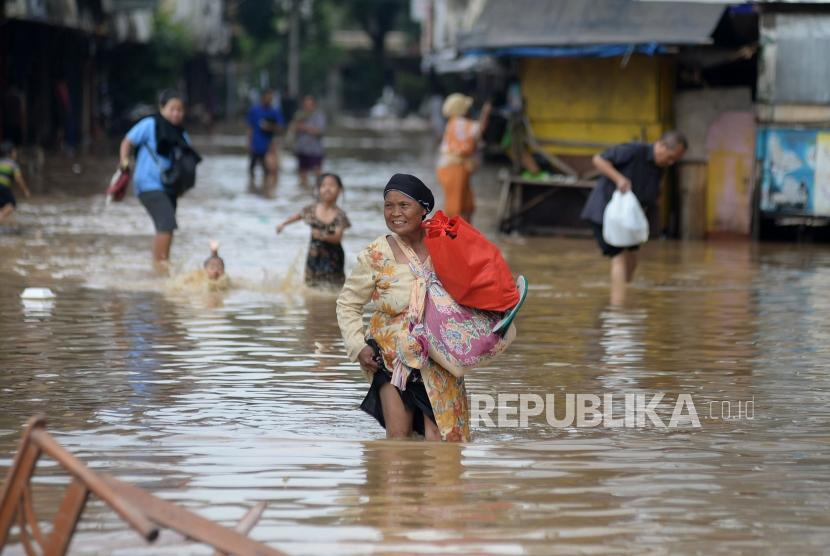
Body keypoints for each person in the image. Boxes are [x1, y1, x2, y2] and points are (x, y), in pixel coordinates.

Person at [336, 173, 469, 442]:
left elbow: (473, 293)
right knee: (398, 440)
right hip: (390, 357)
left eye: (404, 206)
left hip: (440, 358)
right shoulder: (376, 253)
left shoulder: (446, 245)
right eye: (389, 206)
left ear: (424, 210)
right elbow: (348, 303)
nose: (395, 213)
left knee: (444, 441)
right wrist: (357, 346)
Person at [580, 131, 687, 297]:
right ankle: (618, 306)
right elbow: (598, 159)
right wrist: (619, 179)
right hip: (605, 213)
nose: (671, 162)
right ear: (660, 145)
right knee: (619, 256)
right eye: (670, 156)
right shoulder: (634, 150)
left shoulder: (660, 167)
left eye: (675, 160)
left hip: (627, 219)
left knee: (631, 256)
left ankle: (625, 294)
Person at [119, 89, 193, 270]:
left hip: (171, 188)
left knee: (166, 227)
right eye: (172, 109)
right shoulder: (150, 124)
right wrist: (124, 163)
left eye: (180, 110)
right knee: (167, 224)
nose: (176, 113)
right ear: (162, 108)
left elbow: (187, 163)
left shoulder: (182, 135)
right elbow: (127, 141)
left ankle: (161, 265)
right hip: (148, 185)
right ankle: (160, 270)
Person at [276, 173, 350, 288]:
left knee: (334, 288)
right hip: (314, 256)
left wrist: (322, 236)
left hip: (334, 259)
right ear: (318, 189)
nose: (327, 188)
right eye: (324, 185)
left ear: (340, 190)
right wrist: (283, 224)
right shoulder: (312, 209)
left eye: (332, 185)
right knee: (311, 286)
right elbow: (298, 216)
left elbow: (338, 237)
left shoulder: (340, 214)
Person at [436, 93, 491, 221]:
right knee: (456, 209)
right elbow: (479, 130)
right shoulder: (460, 123)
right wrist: (485, 113)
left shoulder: (452, 123)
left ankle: (463, 236)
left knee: (466, 206)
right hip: (454, 168)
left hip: (452, 167)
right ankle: (454, 238)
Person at [247, 89, 284, 198]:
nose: (269, 100)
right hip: (256, 145)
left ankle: (267, 190)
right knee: (251, 169)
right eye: (267, 97)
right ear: (262, 98)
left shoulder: (275, 112)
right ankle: (253, 190)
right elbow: (250, 128)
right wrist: (249, 143)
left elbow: (281, 128)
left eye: (271, 98)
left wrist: (270, 127)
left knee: (269, 171)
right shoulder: (254, 110)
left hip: (268, 147)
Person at [292, 94, 326, 187]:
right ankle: (304, 191)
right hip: (302, 149)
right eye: (306, 104)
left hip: (315, 150)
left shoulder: (319, 116)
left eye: (309, 104)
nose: (307, 106)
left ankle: (319, 191)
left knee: (318, 173)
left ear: (314, 105)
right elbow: (293, 130)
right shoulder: (299, 115)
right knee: (302, 173)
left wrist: (305, 128)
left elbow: (320, 131)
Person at [0, 141, 32, 224]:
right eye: (14, 151)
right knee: (11, 204)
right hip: (3, 187)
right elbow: (19, 180)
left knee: (3, 204)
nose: (16, 153)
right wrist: (25, 191)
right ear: (10, 153)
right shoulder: (13, 164)